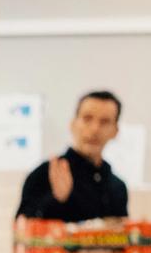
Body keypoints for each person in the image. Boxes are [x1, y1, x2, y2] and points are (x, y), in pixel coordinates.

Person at [16, 91, 130, 221]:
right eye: (87, 118)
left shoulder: (117, 187)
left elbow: (123, 235)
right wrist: (56, 200)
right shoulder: (44, 174)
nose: (95, 129)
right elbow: (21, 232)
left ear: (115, 131)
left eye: (104, 122)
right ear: (73, 124)